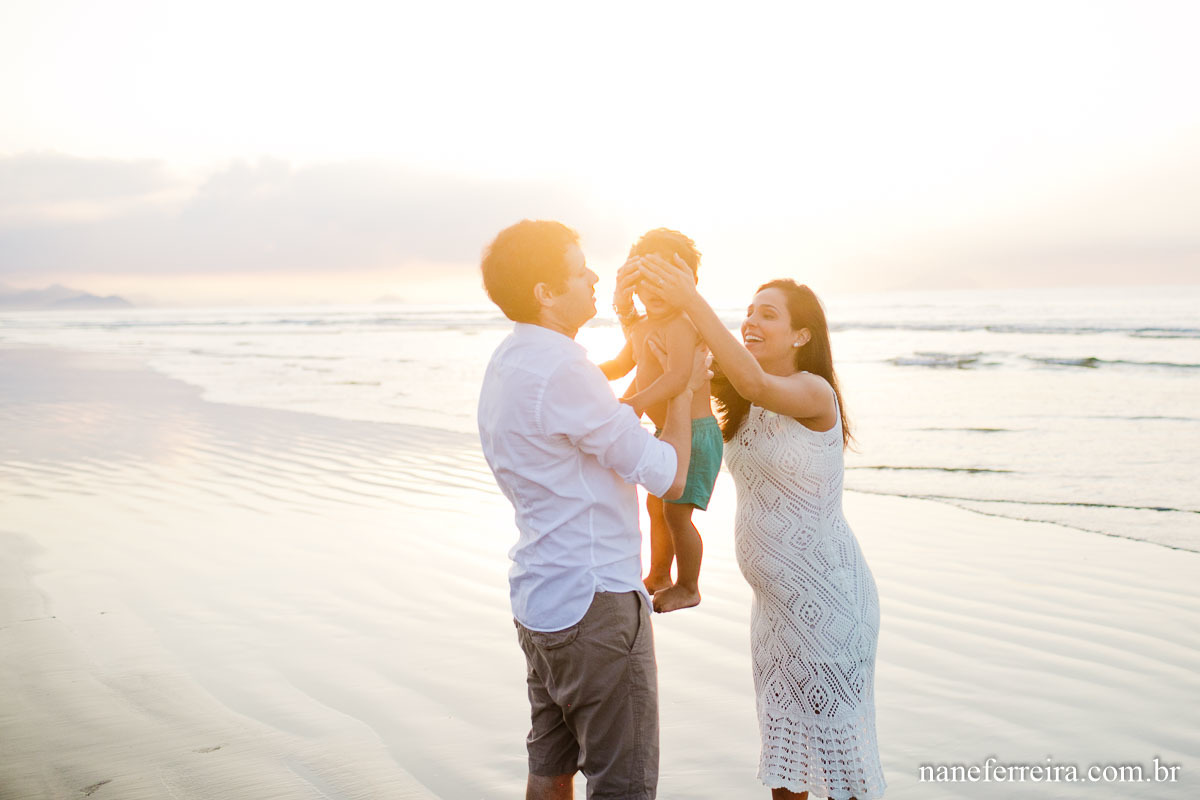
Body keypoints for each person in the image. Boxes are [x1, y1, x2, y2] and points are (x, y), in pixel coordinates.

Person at [635, 254, 887, 800]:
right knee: (785, 761)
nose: (751, 321)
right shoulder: (739, 393)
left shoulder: (813, 393)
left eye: (767, 314)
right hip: (775, 613)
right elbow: (680, 377)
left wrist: (691, 300)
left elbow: (750, 379)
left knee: (843, 769)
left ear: (801, 334)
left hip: (829, 603)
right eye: (748, 311)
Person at [476, 220, 709, 800]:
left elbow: (599, 420)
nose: (595, 276)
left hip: (539, 599)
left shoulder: (507, 363)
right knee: (622, 783)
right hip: (594, 605)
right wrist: (683, 391)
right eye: (580, 271)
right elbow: (667, 472)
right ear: (546, 293)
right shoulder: (563, 371)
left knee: (550, 767)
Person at [599, 229, 722, 613]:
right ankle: (658, 574)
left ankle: (689, 585)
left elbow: (678, 377)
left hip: (696, 434)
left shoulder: (682, 325)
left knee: (675, 513)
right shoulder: (640, 326)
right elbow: (622, 364)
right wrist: (582, 372)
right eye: (645, 281)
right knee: (655, 506)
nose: (654, 290)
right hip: (666, 433)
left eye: (664, 281)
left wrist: (635, 402)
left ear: (687, 284)